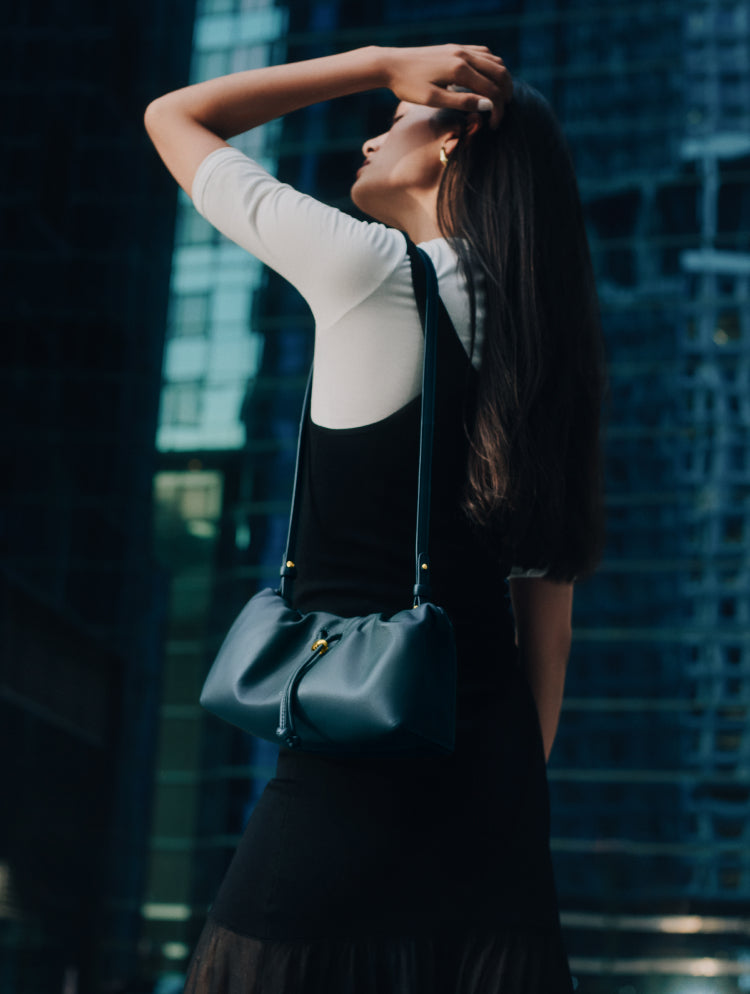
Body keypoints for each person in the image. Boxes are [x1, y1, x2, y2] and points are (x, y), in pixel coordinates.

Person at [145, 43, 604, 994]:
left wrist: (378, 60)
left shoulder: (369, 271)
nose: (371, 131)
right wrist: (490, 798)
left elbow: (174, 117)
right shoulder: (552, 344)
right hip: (498, 841)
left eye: (394, 116)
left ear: (453, 136)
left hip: (341, 805)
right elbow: (544, 642)